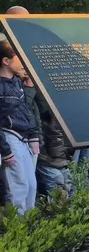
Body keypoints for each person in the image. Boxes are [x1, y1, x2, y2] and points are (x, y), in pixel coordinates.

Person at [1, 41, 40, 215]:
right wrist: (5, 150)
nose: (24, 62)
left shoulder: (17, 83)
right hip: (9, 138)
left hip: (24, 138)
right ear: (6, 61)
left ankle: (29, 223)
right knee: (18, 187)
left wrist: (33, 135)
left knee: (31, 185)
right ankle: (17, 226)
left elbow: (25, 111)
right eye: (19, 57)